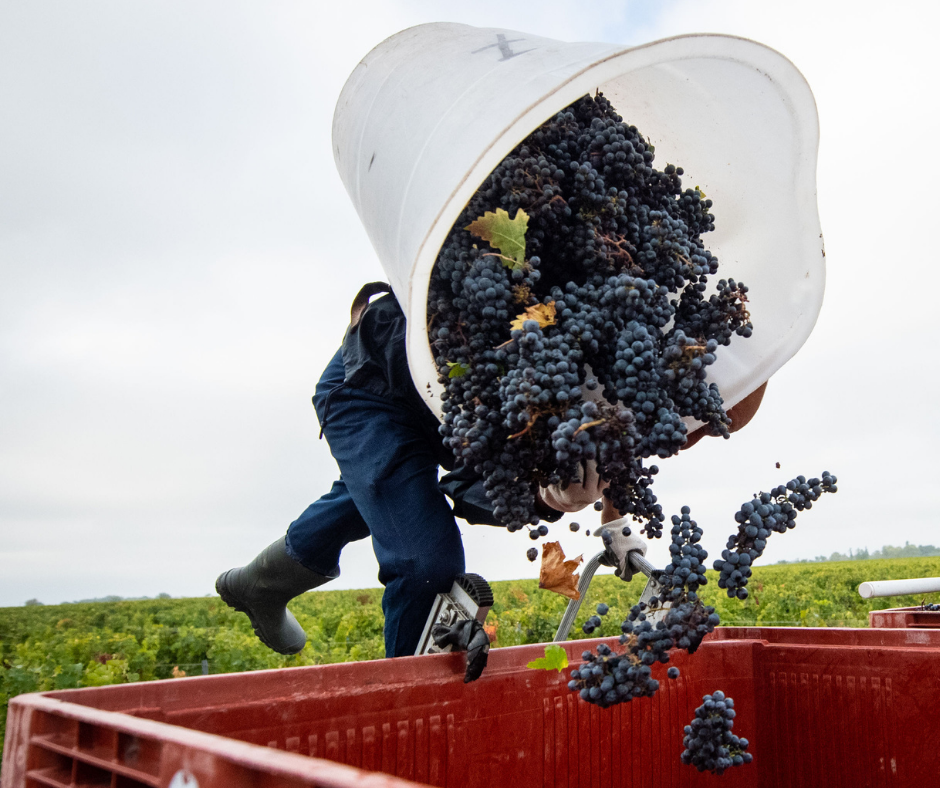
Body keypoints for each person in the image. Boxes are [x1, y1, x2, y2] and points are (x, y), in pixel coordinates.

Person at [216, 281, 768, 667]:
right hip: (377, 385)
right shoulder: (610, 322)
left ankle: (259, 584)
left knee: (395, 495)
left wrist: (615, 524)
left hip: (456, 402)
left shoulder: (645, 374)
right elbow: (484, 471)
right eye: (703, 425)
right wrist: (542, 493)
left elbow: (617, 444)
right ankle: (411, 713)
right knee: (426, 561)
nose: (691, 437)